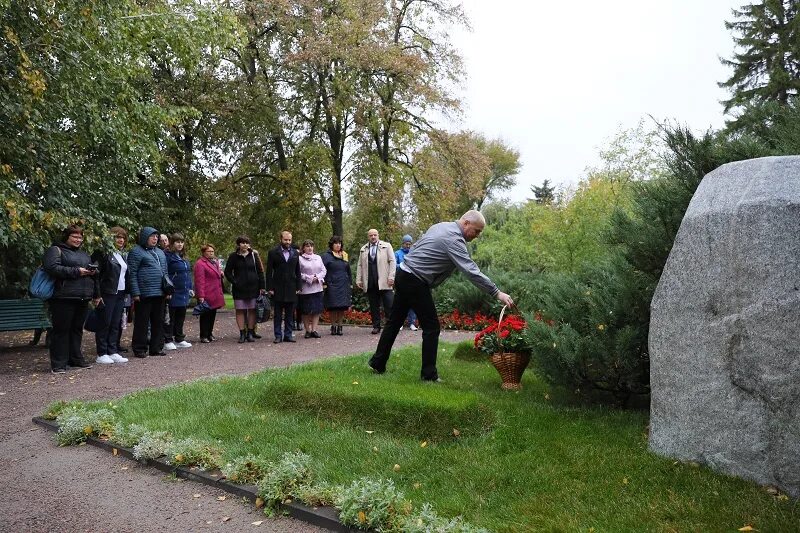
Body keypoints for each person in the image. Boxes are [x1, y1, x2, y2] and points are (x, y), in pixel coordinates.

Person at [368, 210, 514, 382]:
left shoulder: (441, 226)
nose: (477, 235)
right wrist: (497, 292)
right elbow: (470, 270)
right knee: (432, 327)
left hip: (404, 274)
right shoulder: (454, 239)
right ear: (466, 223)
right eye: (477, 231)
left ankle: (378, 362)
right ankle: (428, 375)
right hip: (415, 280)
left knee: (394, 322)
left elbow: (416, 247)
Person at [43, 224, 100, 373]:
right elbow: (51, 268)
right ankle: (58, 363)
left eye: (80, 237)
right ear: (66, 237)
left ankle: (75, 359)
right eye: (74, 236)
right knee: (61, 330)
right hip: (63, 297)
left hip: (82, 296)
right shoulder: (56, 250)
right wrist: (76, 271)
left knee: (77, 330)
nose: (78, 239)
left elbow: (93, 277)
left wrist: (95, 289)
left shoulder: (84, 254)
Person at [127, 227, 169, 358]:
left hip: (160, 292)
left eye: (157, 236)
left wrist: (168, 290)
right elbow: (132, 273)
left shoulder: (161, 253)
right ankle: (139, 348)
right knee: (142, 322)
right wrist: (135, 292)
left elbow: (165, 273)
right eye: (152, 236)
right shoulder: (136, 252)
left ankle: (156, 348)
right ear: (145, 237)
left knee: (158, 321)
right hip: (144, 293)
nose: (155, 238)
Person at [92, 227, 130, 364]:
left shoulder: (122, 254)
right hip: (107, 293)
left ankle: (112, 350)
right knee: (104, 323)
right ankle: (101, 353)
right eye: (117, 237)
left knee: (115, 323)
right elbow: (96, 274)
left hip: (120, 293)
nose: (120, 240)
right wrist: (97, 294)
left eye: (123, 237)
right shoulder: (103, 253)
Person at [224, 235, 266, 344]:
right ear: (238, 244)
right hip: (239, 289)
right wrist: (235, 281)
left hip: (253, 287)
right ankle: (242, 333)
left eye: (247, 243)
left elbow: (260, 271)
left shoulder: (253, 255)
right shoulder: (233, 256)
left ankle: (250, 333)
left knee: (252, 310)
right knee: (240, 311)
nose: (245, 245)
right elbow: (227, 272)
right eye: (242, 243)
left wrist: (262, 286)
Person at [356, 228, 396, 334]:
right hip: (370, 282)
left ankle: (391, 327)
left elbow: (392, 262)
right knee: (374, 306)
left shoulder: (387, 246)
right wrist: (359, 279)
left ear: (378, 235)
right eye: (371, 235)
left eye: (375, 235)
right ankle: (376, 326)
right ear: (368, 237)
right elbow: (360, 265)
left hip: (385, 281)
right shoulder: (363, 249)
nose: (373, 237)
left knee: (389, 305)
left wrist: (391, 277)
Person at [265, 231, 301, 343]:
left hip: (291, 287)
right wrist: (270, 288)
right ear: (281, 239)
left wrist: (298, 286)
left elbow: (298, 271)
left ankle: (288, 335)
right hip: (278, 287)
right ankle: (278, 335)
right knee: (278, 314)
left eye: (290, 240)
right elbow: (269, 272)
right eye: (286, 240)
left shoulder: (295, 253)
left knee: (290, 313)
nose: (288, 242)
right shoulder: (273, 252)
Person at [164, 233, 193, 351]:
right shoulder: (168, 256)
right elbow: (165, 273)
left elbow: (188, 273)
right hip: (173, 291)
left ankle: (179, 338)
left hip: (184, 291)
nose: (180, 244)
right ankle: (168, 339)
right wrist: (168, 289)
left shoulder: (183, 257)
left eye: (182, 242)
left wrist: (191, 287)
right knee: (170, 316)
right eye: (177, 242)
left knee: (181, 316)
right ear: (172, 243)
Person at [194, 243, 225, 343]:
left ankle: (210, 333)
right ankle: (203, 335)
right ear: (204, 252)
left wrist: (220, 273)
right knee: (205, 316)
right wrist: (201, 296)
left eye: (212, 251)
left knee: (212, 315)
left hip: (215, 293)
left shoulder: (215, 262)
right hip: (207, 293)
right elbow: (200, 280)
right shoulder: (200, 263)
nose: (211, 253)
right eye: (209, 251)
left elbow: (216, 274)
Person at [322, 235, 352, 336]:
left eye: (339, 243)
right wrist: (325, 283)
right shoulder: (326, 256)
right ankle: (333, 326)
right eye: (336, 243)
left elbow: (348, 270)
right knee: (333, 306)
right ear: (332, 244)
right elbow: (322, 270)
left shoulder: (344, 255)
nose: (338, 245)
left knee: (342, 307)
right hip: (332, 284)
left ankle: (340, 326)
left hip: (343, 283)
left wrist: (350, 283)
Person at [297, 239, 326, 338]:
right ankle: (308, 330)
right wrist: (308, 278)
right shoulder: (300, 259)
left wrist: (317, 277)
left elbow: (323, 270)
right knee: (305, 310)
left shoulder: (318, 257)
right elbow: (298, 273)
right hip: (305, 289)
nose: (310, 248)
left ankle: (314, 330)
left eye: (311, 246)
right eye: (307, 246)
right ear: (303, 248)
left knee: (317, 310)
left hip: (317, 288)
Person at [394, 234, 418, 331]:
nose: (408, 246)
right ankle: (400, 323)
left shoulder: (414, 253)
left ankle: (412, 323)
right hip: (401, 280)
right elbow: (394, 265)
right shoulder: (397, 253)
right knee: (401, 303)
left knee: (412, 303)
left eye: (409, 244)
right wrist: (403, 266)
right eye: (406, 244)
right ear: (403, 243)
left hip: (412, 280)